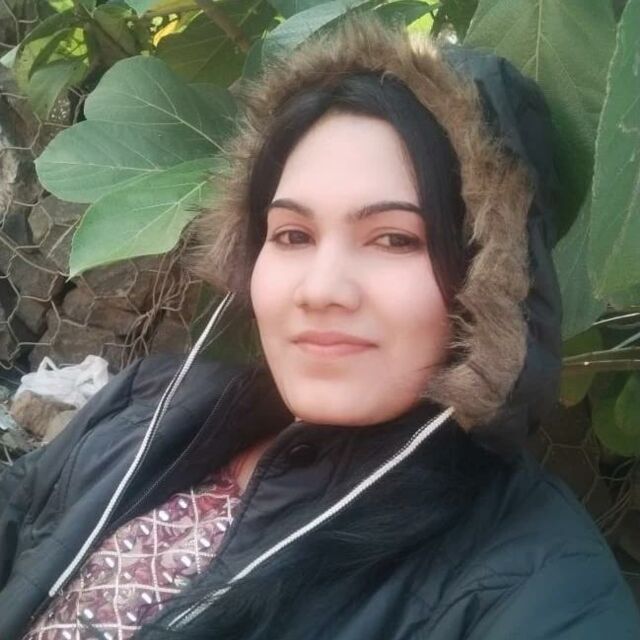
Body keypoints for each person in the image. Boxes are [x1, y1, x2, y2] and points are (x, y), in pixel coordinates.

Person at [1, 12, 639, 640]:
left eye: (394, 238)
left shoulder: (538, 579)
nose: (320, 290)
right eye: (292, 235)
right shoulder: (147, 400)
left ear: (490, 279)